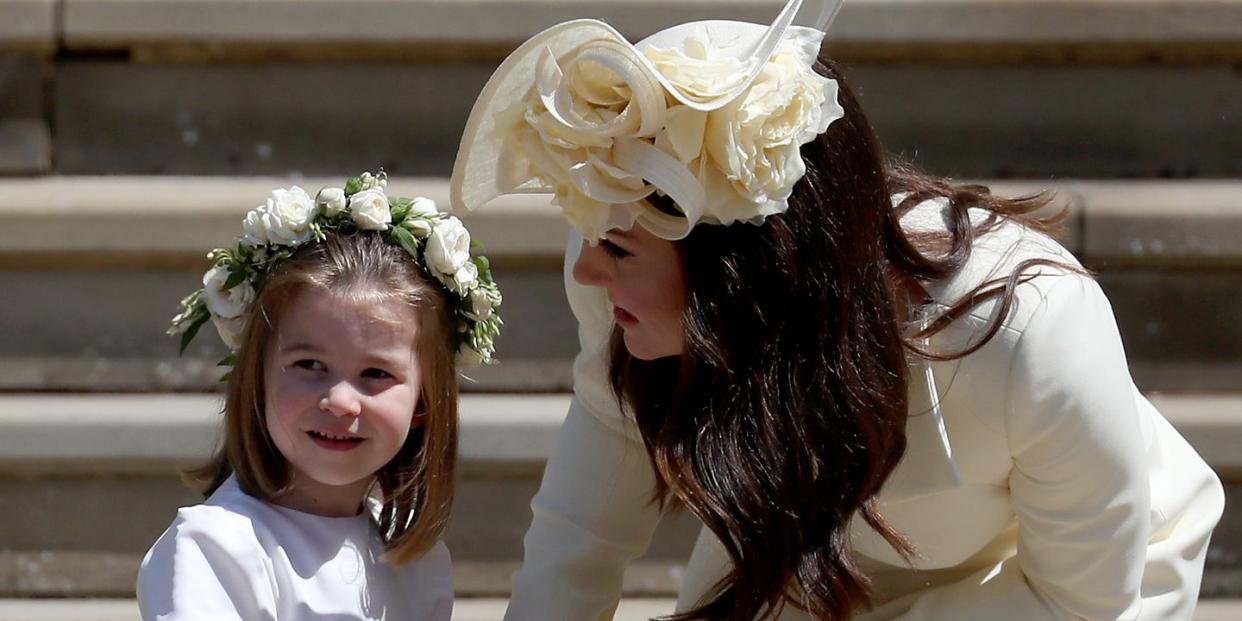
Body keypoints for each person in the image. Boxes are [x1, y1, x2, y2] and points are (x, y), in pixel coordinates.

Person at [449, 0, 1225, 619]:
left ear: (744, 271)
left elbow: (1083, 598)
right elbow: (585, 524)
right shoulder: (615, 279)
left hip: (1055, 585)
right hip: (816, 536)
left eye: (617, 250)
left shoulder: (1031, 326)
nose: (585, 269)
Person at [138, 172, 503, 620]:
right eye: (310, 365)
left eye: (375, 373)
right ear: (258, 377)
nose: (340, 401)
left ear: (424, 403)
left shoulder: (416, 564)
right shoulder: (218, 549)